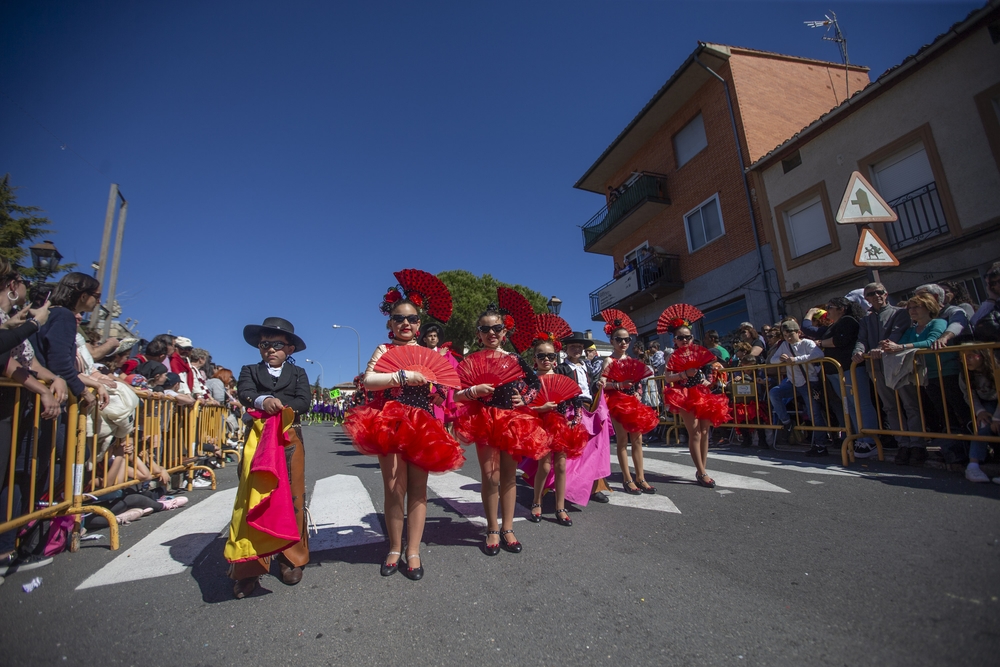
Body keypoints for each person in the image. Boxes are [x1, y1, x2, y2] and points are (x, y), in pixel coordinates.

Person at [345, 287, 464, 580]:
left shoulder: (428, 354)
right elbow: (369, 380)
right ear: (390, 323)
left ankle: (414, 551)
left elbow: (444, 387)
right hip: (390, 422)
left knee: (419, 489)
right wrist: (402, 376)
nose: (405, 323)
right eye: (399, 318)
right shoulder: (384, 350)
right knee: (394, 488)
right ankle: (394, 548)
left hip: (422, 424)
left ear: (419, 324)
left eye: (411, 318)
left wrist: (437, 392)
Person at [225, 317, 311, 599]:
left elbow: (304, 401)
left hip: (289, 437)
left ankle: (290, 558)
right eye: (264, 345)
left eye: (276, 345)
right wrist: (263, 402)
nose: (270, 349)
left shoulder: (298, 375)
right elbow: (245, 393)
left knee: (294, 496)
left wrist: (282, 409)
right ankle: (249, 567)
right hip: (257, 439)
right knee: (254, 496)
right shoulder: (248, 370)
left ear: (289, 349)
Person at [454, 303, 546, 556]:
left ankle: (508, 528)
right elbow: (456, 395)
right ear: (478, 333)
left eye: (497, 328)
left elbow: (535, 383)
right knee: (490, 477)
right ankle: (492, 527)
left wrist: (525, 399)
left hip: (511, 422)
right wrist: (474, 391)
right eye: (486, 329)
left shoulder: (515, 359)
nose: (491, 333)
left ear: (505, 332)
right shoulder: (470, 361)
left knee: (508, 476)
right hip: (483, 421)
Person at [524, 332, 587, 526]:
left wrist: (574, 421)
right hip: (540, 426)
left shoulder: (562, 377)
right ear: (534, 358)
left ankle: (560, 507)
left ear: (555, 357)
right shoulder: (532, 381)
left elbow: (576, 402)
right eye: (541, 355)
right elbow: (524, 405)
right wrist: (540, 409)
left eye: (550, 356)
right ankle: (537, 501)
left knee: (560, 466)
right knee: (543, 466)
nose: (546, 360)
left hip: (559, 425)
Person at [661, 313, 731, 486]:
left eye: (688, 337)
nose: (685, 340)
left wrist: (705, 379)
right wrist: (685, 374)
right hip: (684, 394)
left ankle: (702, 470)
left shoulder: (697, 352)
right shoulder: (672, 356)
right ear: (674, 340)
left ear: (692, 338)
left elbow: (707, 368)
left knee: (705, 431)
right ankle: (701, 471)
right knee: (695, 433)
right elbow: (668, 378)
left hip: (701, 392)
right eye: (680, 337)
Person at [879, 294, 947, 465]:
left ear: (929, 308)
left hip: (939, 372)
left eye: (917, 307)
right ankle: (907, 445)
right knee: (909, 407)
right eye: (910, 308)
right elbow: (899, 347)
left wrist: (901, 347)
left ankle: (924, 445)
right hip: (914, 375)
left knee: (942, 411)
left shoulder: (938, 323)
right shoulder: (910, 330)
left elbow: (930, 341)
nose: (912, 311)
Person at [600, 312, 658, 495]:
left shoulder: (632, 360)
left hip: (633, 401)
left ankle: (641, 477)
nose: (623, 343)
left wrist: (638, 393)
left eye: (627, 339)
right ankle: (627, 478)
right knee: (623, 441)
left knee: (638, 440)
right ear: (612, 341)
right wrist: (619, 385)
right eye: (619, 339)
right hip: (617, 402)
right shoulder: (609, 360)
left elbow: (638, 381)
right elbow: (602, 384)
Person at [767, 320, 828, 455]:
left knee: (814, 414)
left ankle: (821, 444)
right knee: (774, 393)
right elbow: (773, 360)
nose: (788, 338)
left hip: (808, 381)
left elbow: (818, 355)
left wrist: (796, 360)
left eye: (791, 334)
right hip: (793, 382)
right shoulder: (784, 345)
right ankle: (787, 422)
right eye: (785, 335)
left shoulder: (807, 343)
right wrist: (782, 359)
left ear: (798, 332)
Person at [813, 296, 863, 450]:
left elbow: (840, 340)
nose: (827, 310)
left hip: (848, 368)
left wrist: (821, 343)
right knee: (849, 405)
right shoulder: (835, 324)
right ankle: (855, 436)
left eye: (830, 307)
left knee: (858, 405)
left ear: (841, 309)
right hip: (836, 371)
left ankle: (866, 438)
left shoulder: (848, 321)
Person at [958, 346, 1000, 483]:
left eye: (971, 355)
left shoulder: (996, 369)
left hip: (997, 403)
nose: (967, 359)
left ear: (982, 356)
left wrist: (997, 418)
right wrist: (980, 412)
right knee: (982, 425)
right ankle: (973, 466)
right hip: (986, 404)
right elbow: (969, 396)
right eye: (964, 356)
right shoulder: (965, 374)